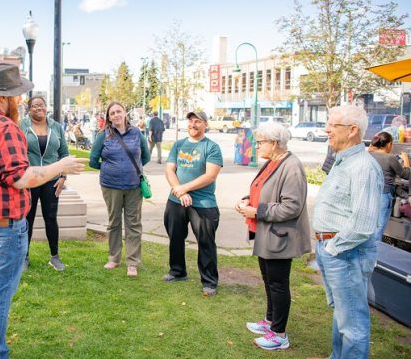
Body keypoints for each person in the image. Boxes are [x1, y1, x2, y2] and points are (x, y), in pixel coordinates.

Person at [0, 63, 87, 358]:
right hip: (1, 228)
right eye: (16, 95)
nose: (20, 101)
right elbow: (22, 177)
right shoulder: (3, 126)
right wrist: (60, 166)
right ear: (2, 97)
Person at [312, 105, 383, 359]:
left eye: (333, 125)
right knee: (343, 314)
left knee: (352, 322)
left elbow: (363, 223)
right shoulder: (343, 161)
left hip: (345, 252)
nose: (326, 130)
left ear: (352, 131)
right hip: (335, 251)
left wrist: (332, 247)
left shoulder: (362, 167)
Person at [235, 123, 311, 351]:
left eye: (260, 142)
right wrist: (247, 200)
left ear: (275, 143)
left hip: (280, 236)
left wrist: (257, 211)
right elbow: (263, 189)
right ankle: (270, 321)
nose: (257, 146)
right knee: (269, 280)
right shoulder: (274, 162)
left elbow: (291, 207)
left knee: (278, 284)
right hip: (266, 234)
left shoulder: (292, 166)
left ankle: (279, 334)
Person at [162, 111, 223, 296]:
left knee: (206, 242)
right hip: (176, 200)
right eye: (190, 121)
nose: (193, 124)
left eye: (198, 121)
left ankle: (209, 282)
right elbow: (170, 170)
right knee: (175, 237)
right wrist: (179, 191)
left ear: (205, 124)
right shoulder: (179, 145)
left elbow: (210, 175)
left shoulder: (211, 147)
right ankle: (177, 271)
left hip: (203, 203)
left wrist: (184, 188)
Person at [89, 101, 150, 277]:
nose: (116, 115)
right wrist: (109, 168)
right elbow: (93, 160)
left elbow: (145, 156)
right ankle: (114, 258)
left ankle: (132, 262)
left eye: (119, 111)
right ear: (108, 117)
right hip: (111, 186)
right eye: (112, 113)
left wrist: (132, 169)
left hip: (134, 186)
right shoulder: (103, 135)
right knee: (114, 222)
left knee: (133, 223)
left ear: (125, 113)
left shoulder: (137, 133)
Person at [20, 96, 69, 271]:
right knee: (28, 218)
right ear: (29, 109)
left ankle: (54, 257)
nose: (38, 108)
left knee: (51, 217)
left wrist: (63, 176)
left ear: (45, 107)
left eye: (41, 105)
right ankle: (24, 257)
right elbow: (17, 151)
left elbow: (64, 152)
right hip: (30, 179)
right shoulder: (22, 126)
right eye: (34, 106)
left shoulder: (55, 127)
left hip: (52, 180)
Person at [368, 131, 410, 241]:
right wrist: (405, 159)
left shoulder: (369, 155)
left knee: (370, 224)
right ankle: (376, 251)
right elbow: (406, 175)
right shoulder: (390, 158)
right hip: (384, 195)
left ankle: (368, 249)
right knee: (380, 226)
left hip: (370, 194)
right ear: (389, 144)